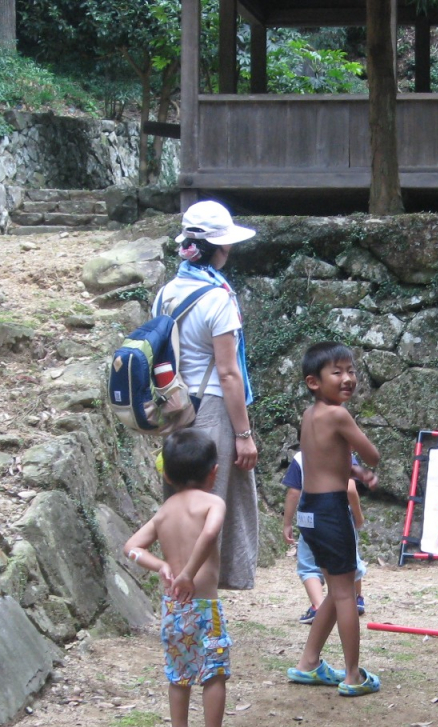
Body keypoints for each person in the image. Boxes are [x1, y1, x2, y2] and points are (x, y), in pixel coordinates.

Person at [123, 429, 250, 727]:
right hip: (205, 607)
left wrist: (161, 566)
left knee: (178, 672)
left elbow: (131, 548)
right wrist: (188, 573)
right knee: (214, 672)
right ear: (214, 471)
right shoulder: (213, 502)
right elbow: (210, 533)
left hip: (173, 608)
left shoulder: (165, 510)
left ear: (166, 473)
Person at [150, 200, 259, 591]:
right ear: (216, 249)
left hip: (175, 410)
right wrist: (244, 434)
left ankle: (176, 593)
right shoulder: (218, 299)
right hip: (212, 411)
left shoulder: (165, 294)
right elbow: (229, 373)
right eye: (225, 245)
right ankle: (204, 601)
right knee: (211, 510)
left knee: (179, 506)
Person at [286, 341, 381, 696]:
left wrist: (353, 470)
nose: (348, 378)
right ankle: (353, 675)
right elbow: (373, 454)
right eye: (337, 372)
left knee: (334, 588)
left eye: (351, 370)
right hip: (330, 510)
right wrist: (364, 464)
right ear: (314, 381)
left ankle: (308, 663)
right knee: (345, 595)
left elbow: (325, 460)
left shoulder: (310, 416)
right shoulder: (339, 415)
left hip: (308, 510)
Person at [281, 451, 369, 624]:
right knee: (350, 558)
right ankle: (356, 598)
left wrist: (287, 523)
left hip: (309, 518)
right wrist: (358, 516)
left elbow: (293, 492)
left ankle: (318, 605)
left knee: (308, 565)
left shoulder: (301, 457)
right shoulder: (344, 455)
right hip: (337, 516)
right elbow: (350, 489)